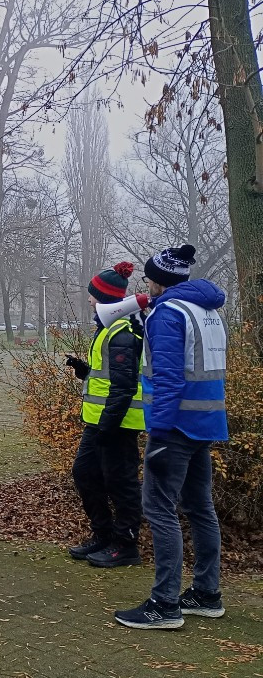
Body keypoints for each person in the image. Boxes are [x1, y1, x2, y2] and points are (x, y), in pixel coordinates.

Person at [115, 245, 229, 630]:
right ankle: (206, 594)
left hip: (175, 427)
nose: (146, 283)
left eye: (148, 277)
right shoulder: (207, 310)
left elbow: (167, 376)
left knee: (160, 509)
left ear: (158, 279)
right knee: (200, 507)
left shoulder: (168, 313)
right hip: (206, 423)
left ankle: (165, 604)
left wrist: (159, 433)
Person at [65, 263, 145, 568]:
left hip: (118, 424)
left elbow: (124, 387)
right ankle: (103, 535)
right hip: (100, 422)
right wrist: (83, 371)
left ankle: (126, 546)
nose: (89, 300)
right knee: (86, 474)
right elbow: (108, 377)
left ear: (106, 299)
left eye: (93, 295)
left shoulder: (122, 331)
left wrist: (108, 427)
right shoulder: (107, 329)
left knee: (120, 482)